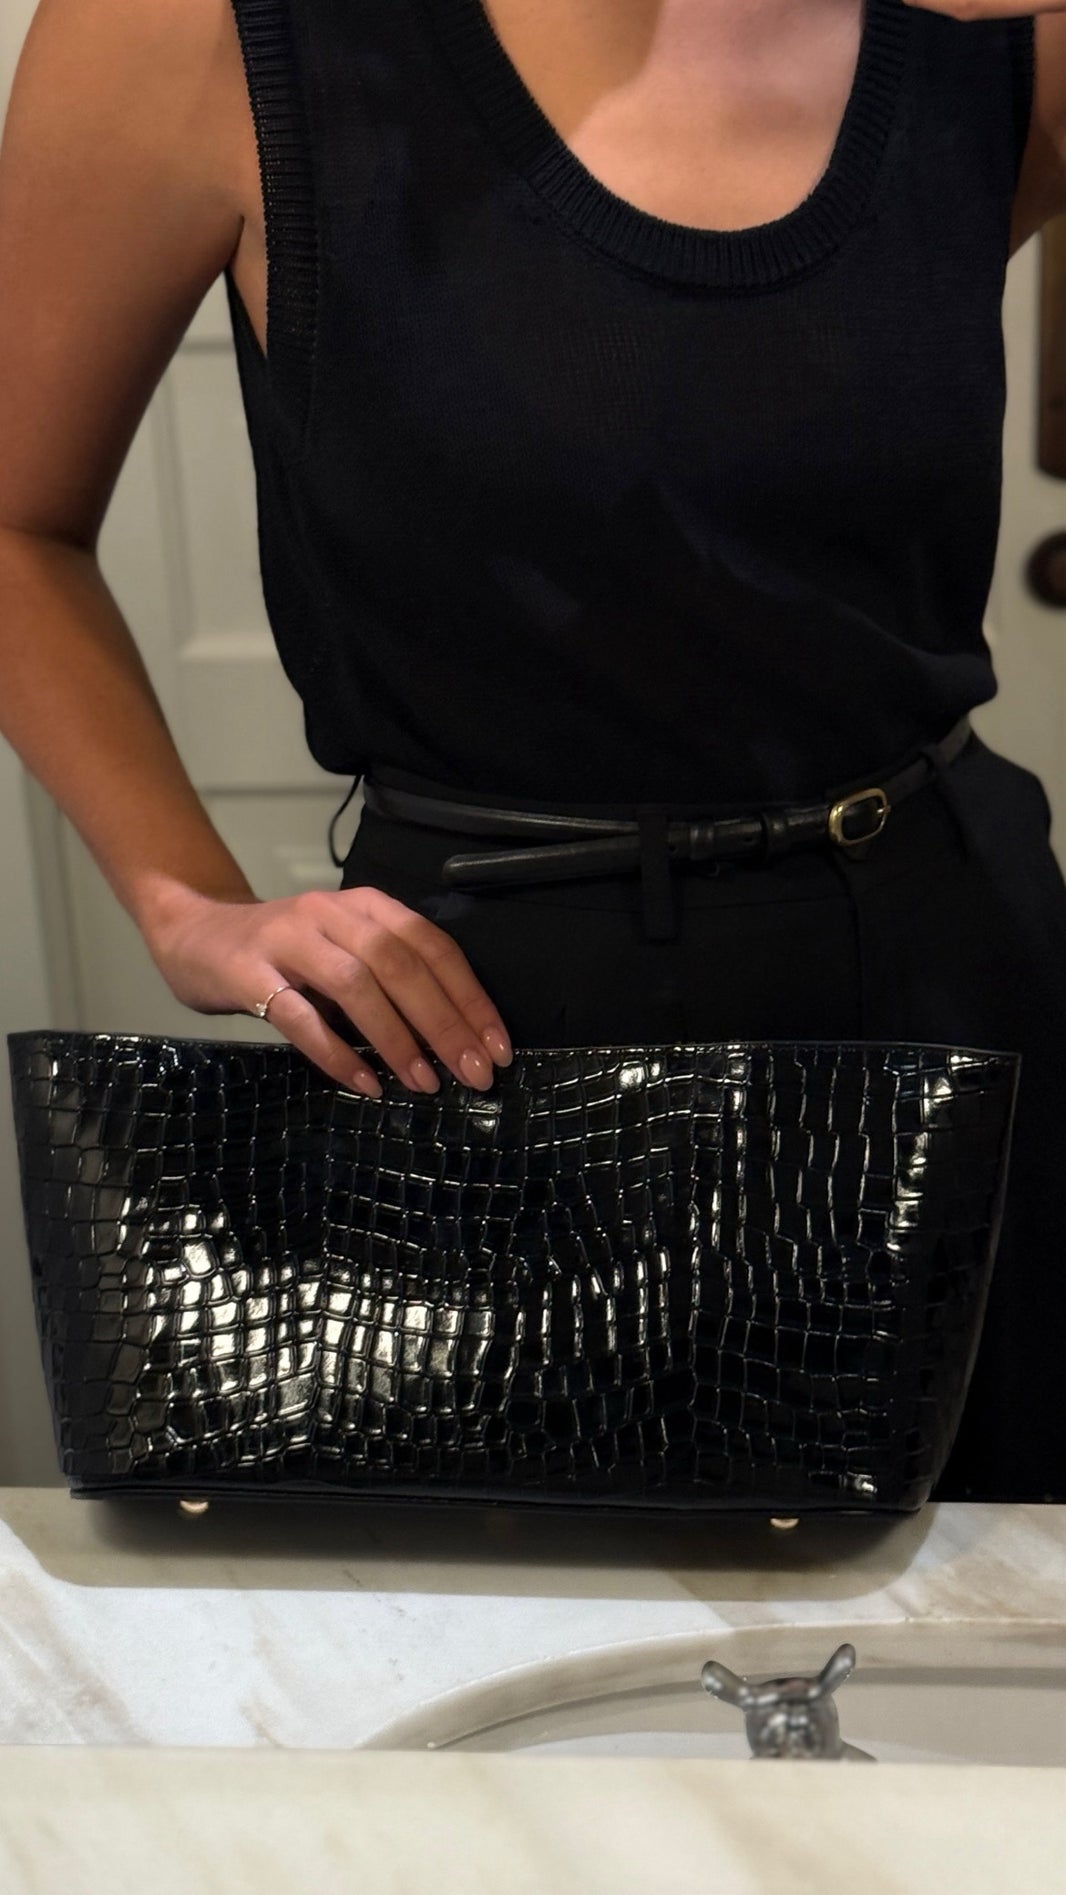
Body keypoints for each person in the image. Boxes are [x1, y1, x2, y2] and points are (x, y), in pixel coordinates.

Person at [0, 0, 1064, 1501]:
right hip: (488, 1030)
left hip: (951, 981)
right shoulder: (196, 31)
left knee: (999, 1614)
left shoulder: (995, 39)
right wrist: (186, 903)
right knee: (511, 1624)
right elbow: (12, 526)